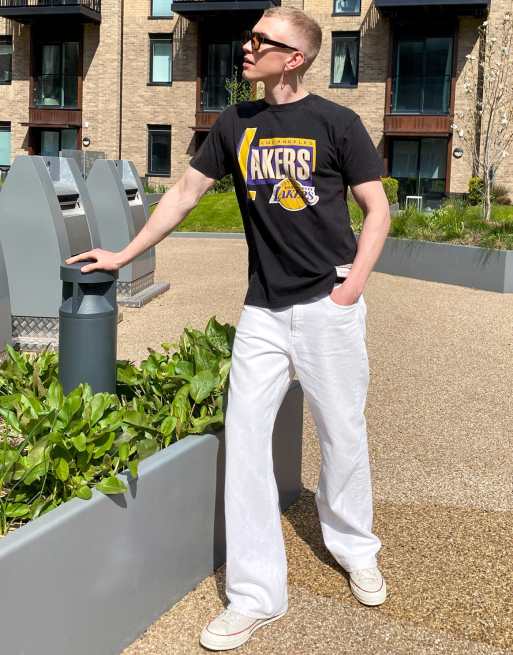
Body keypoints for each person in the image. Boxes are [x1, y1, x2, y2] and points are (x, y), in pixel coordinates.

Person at [66, 6, 391, 652]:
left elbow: (375, 207)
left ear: (294, 56)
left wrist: (354, 282)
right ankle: (255, 595)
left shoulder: (337, 122)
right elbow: (184, 192)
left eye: (261, 40)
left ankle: (355, 547)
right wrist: (125, 256)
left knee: (342, 432)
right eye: (249, 37)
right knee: (244, 443)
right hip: (263, 311)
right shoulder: (233, 123)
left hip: (328, 302)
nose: (247, 47)